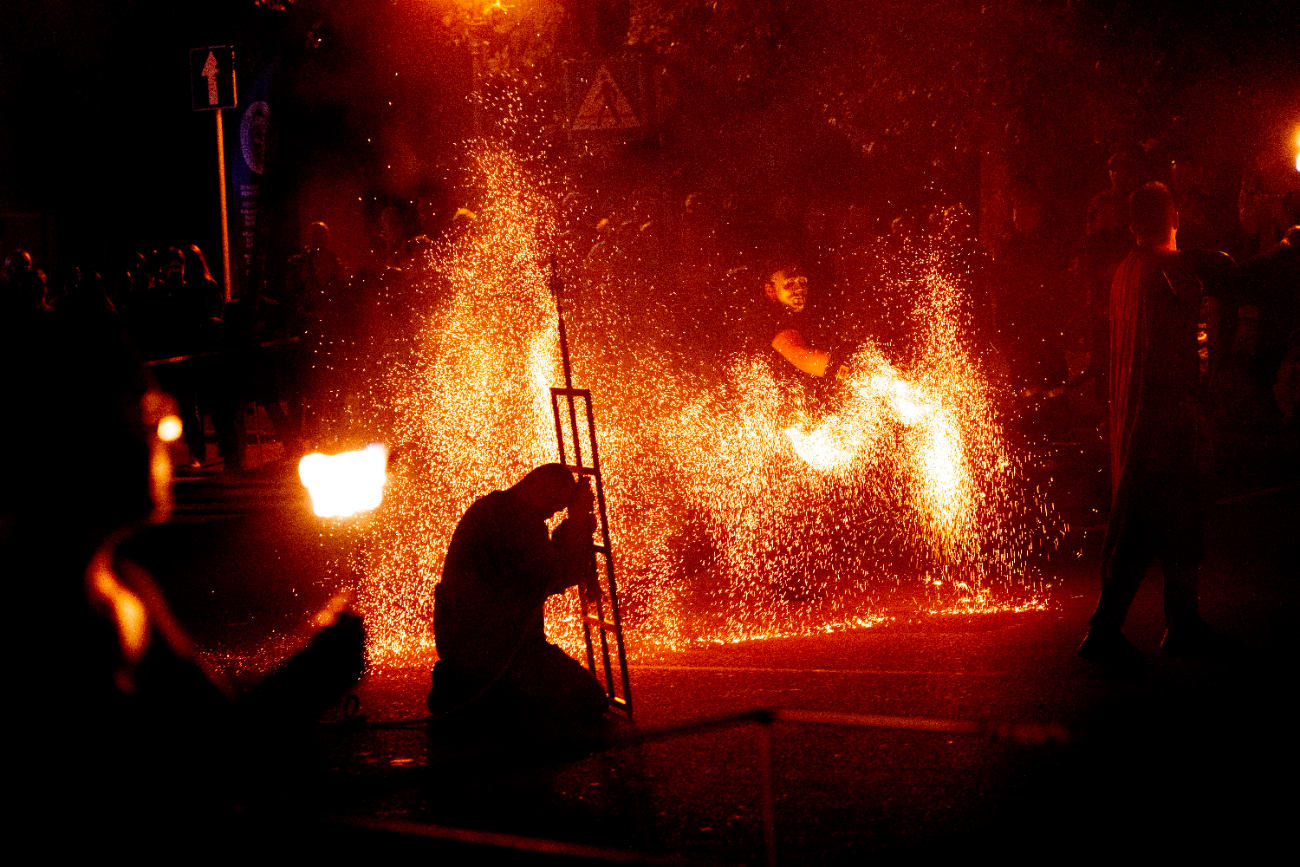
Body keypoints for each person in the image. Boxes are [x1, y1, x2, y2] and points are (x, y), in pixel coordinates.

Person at [1078, 182, 1236, 667]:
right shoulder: (1166, 269)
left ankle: (1182, 622)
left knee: (1179, 528)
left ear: (1132, 225)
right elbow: (1219, 287)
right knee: (1143, 528)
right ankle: (1103, 633)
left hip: (1139, 420)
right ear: (1174, 219)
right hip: (1166, 424)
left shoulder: (1126, 271)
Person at [429, 464, 608, 726]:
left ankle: (467, 686)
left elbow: (532, 570)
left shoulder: (497, 510)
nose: (551, 515)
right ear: (543, 491)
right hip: (495, 650)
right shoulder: (517, 521)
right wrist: (578, 523)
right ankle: (476, 696)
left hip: (471, 643)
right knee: (588, 698)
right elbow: (556, 575)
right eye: (555, 506)